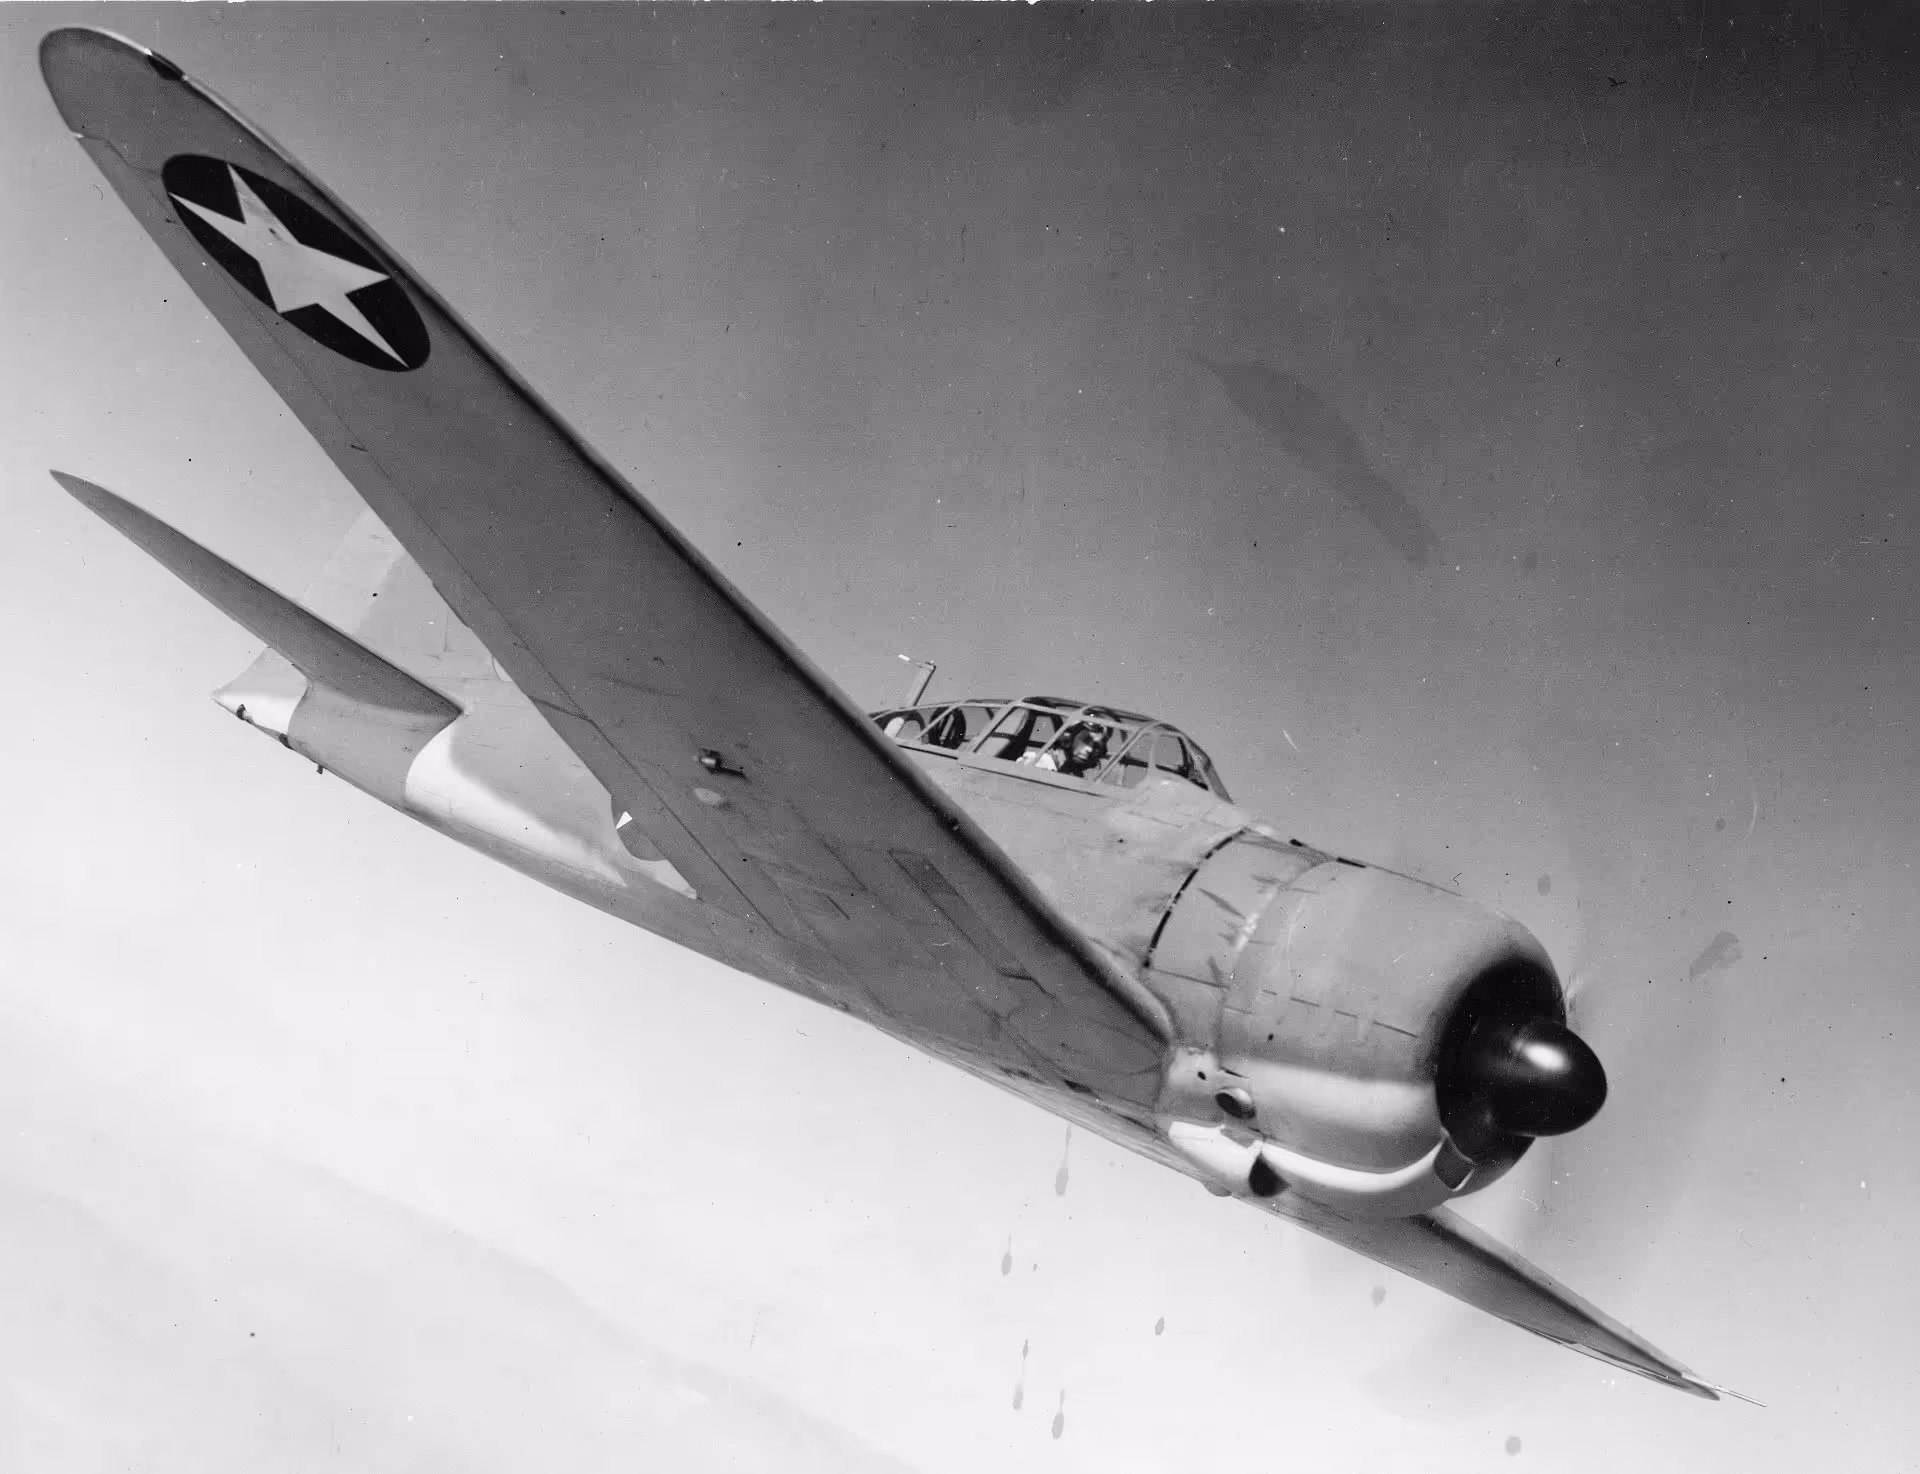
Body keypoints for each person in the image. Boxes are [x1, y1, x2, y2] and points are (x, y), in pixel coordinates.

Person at [1029, 722, 1110, 778]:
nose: (1090, 749)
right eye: (1086, 740)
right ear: (1068, 738)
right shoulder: (1037, 763)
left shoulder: (1076, 774)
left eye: (1095, 746)